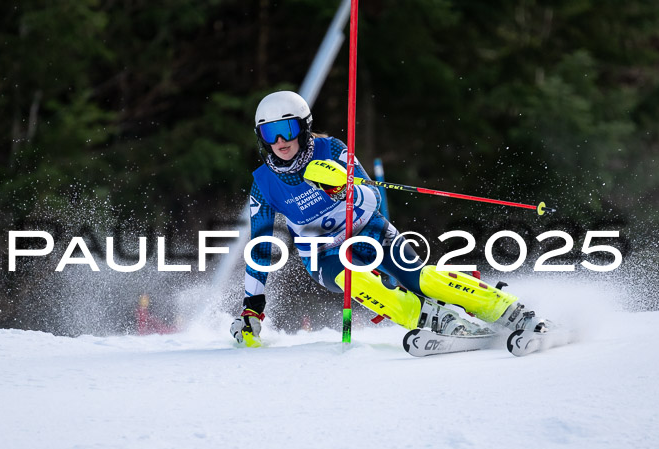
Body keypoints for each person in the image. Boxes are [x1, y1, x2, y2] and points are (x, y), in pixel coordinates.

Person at [230, 90, 541, 347]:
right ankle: (432, 319)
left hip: (369, 230)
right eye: (270, 133)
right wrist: (252, 307)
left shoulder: (331, 150)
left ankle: (509, 311)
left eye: (289, 130)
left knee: (421, 278)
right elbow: (261, 247)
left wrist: (343, 191)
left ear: (304, 127)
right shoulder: (264, 183)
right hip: (324, 254)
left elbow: (373, 198)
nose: (281, 141)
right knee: (355, 278)